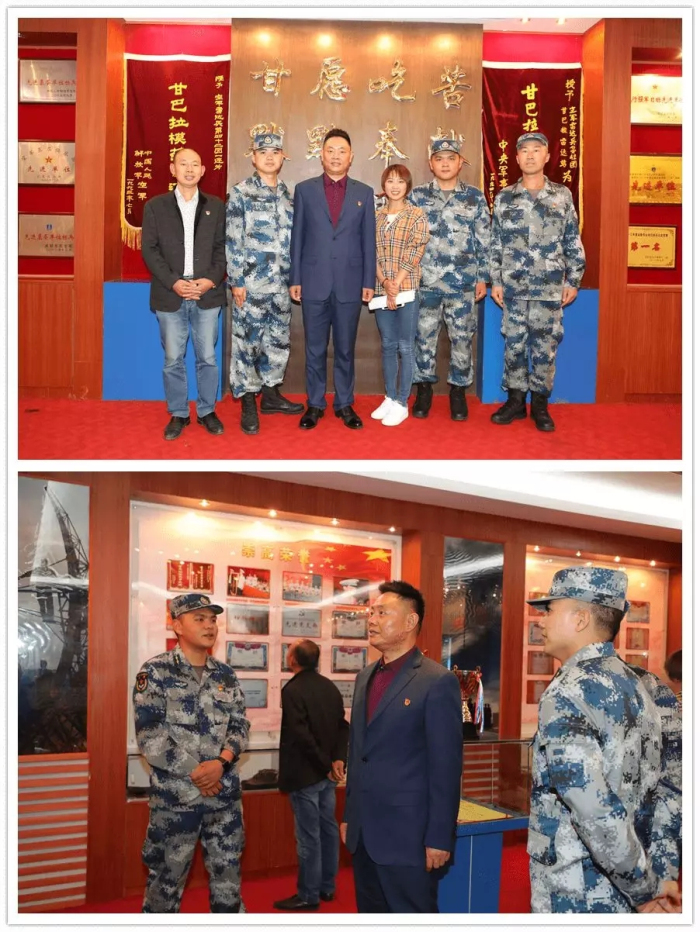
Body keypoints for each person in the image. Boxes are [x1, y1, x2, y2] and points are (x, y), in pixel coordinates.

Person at [527, 567, 681, 913]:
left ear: (581, 618)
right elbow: (672, 792)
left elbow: (592, 807)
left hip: (575, 893)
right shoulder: (648, 686)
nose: (541, 621)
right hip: (628, 886)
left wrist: (644, 888)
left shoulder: (568, 691)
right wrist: (656, 878)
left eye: (550, 610)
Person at [341, 580, 463, 912]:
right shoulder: (365, 677)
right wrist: (350, 816)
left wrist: (439, 836)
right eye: (371, 612)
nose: (372, 619)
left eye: (382, 613)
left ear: (410, 621)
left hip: (409, 838)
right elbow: (359, 752)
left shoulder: (436, 681)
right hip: (364, 835)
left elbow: (445, 768)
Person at [133, 593, 249, 912]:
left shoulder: (225, 675)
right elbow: (150, 735)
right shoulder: (155, 672)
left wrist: (221, 763)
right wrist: (198, 773)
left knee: (228, 884)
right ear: (177, 626)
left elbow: (240, 725)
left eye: (213, 619)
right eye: (199, 619)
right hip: (176, 800)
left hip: (223, 798)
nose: (209, 625)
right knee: (165, 885)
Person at [490, 132, 586, 432]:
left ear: (547, 156)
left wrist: (574, 279)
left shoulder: (562, 195)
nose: (530, 155)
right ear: (517, 158)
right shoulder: (505, 197)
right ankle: (516, 401)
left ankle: (541, 405)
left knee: (545, 347)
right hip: (514, 286)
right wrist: (496, 280)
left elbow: (572, 239)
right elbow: (496, 243)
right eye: (524, 151)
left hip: (549, 286)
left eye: (536, 150)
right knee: (514, 344)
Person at [289, 129, 376, 431]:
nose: (336, 156)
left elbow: (368, 242)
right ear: (321, 155)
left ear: (351, 157)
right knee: (314, 348)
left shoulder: (364, 193)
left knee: (345, 348)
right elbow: (297, 236)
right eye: (330, 150)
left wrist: (368, 281)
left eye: (342, 151)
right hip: (313, 280)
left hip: (350, 283)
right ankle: (314, 404)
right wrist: (295, 277)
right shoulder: (305, 190)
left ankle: (344, 403)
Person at [142, 148, 227, 441]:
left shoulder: (216, 207)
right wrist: (174, 282)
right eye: (183, 164)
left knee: (208, 357)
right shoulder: (155, 206)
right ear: (172, 168)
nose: (189, 170)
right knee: (172, 358)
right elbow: (149, 250)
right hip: (170, 293)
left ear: (202, 171)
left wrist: (210, 280)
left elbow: (223, 249)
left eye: (195, 165)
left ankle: (207, 411)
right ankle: (178, 412)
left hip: (206, 293)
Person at [226, 131, 304, 435]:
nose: (269, 157)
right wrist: (236, 280)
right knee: (248, 341)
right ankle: (248, 399)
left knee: (278, 340)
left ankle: (270, 394)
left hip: (282, 285)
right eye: (263, 152)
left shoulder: (288, 195)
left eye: (275, 152)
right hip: (251, 284)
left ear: (283, 157)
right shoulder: (241, 192)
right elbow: (233, 239)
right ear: (253, 157)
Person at [408, 137, 490, 421]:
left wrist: (483, 277)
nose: (445, 163)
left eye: (451, 158)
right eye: (439, 159)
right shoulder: (417, 196)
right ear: (431, 164)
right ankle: (424, 389)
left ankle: (458, 391)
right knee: (423, 338)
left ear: (460, 163)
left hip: (462, 284)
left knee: (462, 339)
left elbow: (484, 241)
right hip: (426, 283)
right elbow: (407, 240)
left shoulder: (474, 197)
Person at [273, 639, 350, 911]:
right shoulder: (329, 686)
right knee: (328, 830)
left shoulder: (292, 690)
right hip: (326, 775)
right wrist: (336, 760)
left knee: (309, 837)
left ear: (293, 660)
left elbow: (301, 735)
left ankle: (308, 894)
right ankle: (327, 887)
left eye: (289, 652)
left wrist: (326, 763)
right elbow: (343, 727)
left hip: (306, 775)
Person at [372, 165, 430, 427]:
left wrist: (395, 283)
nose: (395, 186)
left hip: (406, 287)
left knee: (405, 346)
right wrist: (385, 282)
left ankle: (402, 402)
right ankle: (390, 396)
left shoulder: (417, 215)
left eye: (400, 181)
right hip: (381, 288)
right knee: (387, 344)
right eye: (390, 181)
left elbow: (415, 252)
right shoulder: (376, 216)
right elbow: (370, 252)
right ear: (383, 185)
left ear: (408, 185)